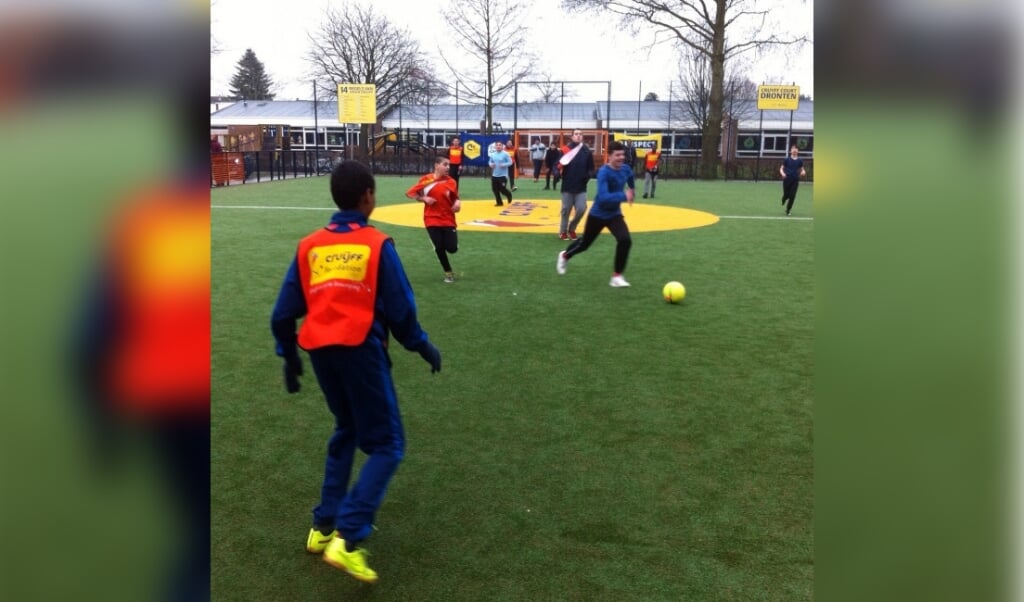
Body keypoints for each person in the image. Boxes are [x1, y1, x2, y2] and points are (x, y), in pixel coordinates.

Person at [271, 160, 443, 585]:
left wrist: (290, 358)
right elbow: (401, 312)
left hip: (320, 353)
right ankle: (348, 538)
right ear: (368, 195)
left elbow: (283, 314)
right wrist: (422, 346)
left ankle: (322, 525)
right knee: (388, 444)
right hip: (359, 351)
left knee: (347, 428)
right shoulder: (377, 243)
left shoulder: (309, 245)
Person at [556, 141, 636, 288]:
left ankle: (617, 276)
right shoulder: (604, 172)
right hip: (598, 214)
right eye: (617, 155)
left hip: (614, 214)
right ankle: (565, 256)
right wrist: (625, 196)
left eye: (622, 155)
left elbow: (631, 177)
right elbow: (605, 197)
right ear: (609, 156)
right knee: (585, 244)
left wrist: (632, 189)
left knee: (625, 240)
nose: (621, 158)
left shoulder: (626, 169)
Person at [406, 156, 462, 283]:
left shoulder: (451, 182)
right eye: (445, 164)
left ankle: (448, 246)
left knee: (452, 249)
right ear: (436, 165)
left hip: (447, 218)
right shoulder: (426, 180)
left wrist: (458, 203)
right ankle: (448, 272)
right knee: (439, 246)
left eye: (448, 165)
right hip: (431, 218)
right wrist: (423, 199)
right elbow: (411, 193)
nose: (448, 167)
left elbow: (456, 197)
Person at [557, 129, 595, 240]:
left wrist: (587, 176)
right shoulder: (565, 150)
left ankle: (572, 228)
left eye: (580, 134)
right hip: (567, 186)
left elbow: (591, 168)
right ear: (572, 137)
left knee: (581, 209)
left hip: (581, 187)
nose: (578, 136)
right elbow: (557, 165)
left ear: (582, 137)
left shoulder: (586, 151)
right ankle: (563, 232)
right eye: (576, 134)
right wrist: (556, 172)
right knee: (565, 211)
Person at [779, 145, 806, 216]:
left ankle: (788, 209)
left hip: (795, 180)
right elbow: (781, 168)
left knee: (792, 195)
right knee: (786, 194)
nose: (794, 150)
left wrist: (803, 172)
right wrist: (782, 173)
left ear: (798, 151)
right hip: (787, 179)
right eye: (793, 149)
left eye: (796, 149)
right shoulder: (786, 160)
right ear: (790, 151)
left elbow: (802, 169)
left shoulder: (800, 161)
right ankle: (784, 198)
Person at [488, 141, 514, 206]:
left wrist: (504, 165)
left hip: (503, 175)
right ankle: (499, 202)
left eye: (500, 145)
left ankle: (508, 194)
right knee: (495, 190)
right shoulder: (493, 154)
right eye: (497, 145)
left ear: (502, 146)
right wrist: (491, 164)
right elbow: (490, 162)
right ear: (495, 147)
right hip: (494, 175)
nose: (498, 146)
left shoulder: (505, 154)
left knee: (502, 189)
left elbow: (510, 162)